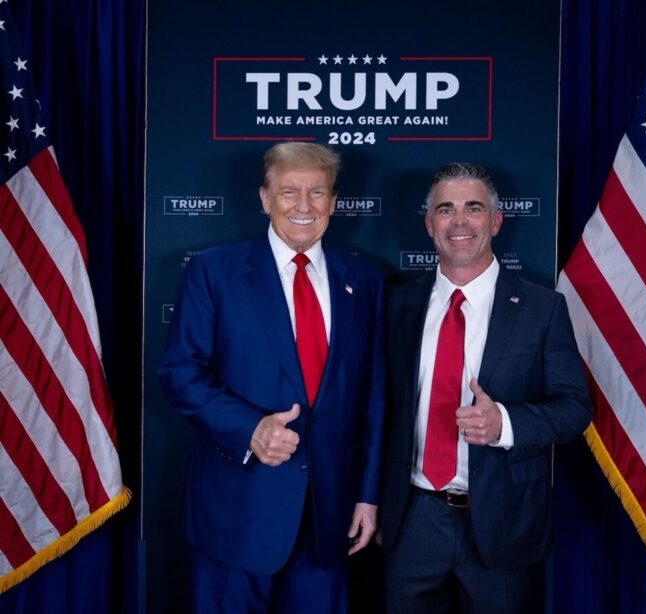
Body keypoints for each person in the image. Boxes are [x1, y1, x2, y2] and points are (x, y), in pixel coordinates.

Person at [158, 142, 385, 613]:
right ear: (264, 198)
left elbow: (375, 397)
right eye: (288, 192)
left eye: (317, 192)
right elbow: (181, 373)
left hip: (330, 516)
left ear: (334, 202)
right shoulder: (213, 272)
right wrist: (252, 428)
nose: (304, 206)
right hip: (237, 512)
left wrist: (367, 495)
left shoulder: (364, 281)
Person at [379, 163, 592, 613]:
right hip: (414, 518)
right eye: (445, 209)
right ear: (429, 223)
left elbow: (575, 408)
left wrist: (505, 423)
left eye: (473, 209)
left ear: (495, 221)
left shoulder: (541, 307)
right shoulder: (397, 302)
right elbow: (378, 408)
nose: (459, 222)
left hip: (505, 521)